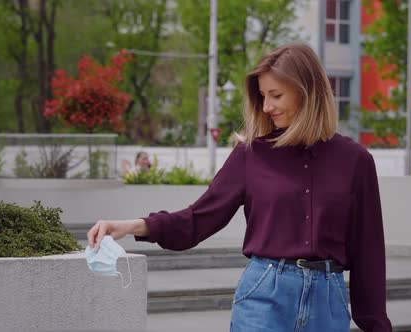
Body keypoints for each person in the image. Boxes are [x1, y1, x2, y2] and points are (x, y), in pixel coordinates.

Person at [87, 42, 392, 331]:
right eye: (262, 96)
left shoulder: (355, 160)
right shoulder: (251, 156)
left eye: (276, 95)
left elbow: (369, 251)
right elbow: (199, 218)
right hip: (265, 296)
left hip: (328, 301)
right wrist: (132, 226)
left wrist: (375, 324)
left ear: (307, 93)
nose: (267, 106)